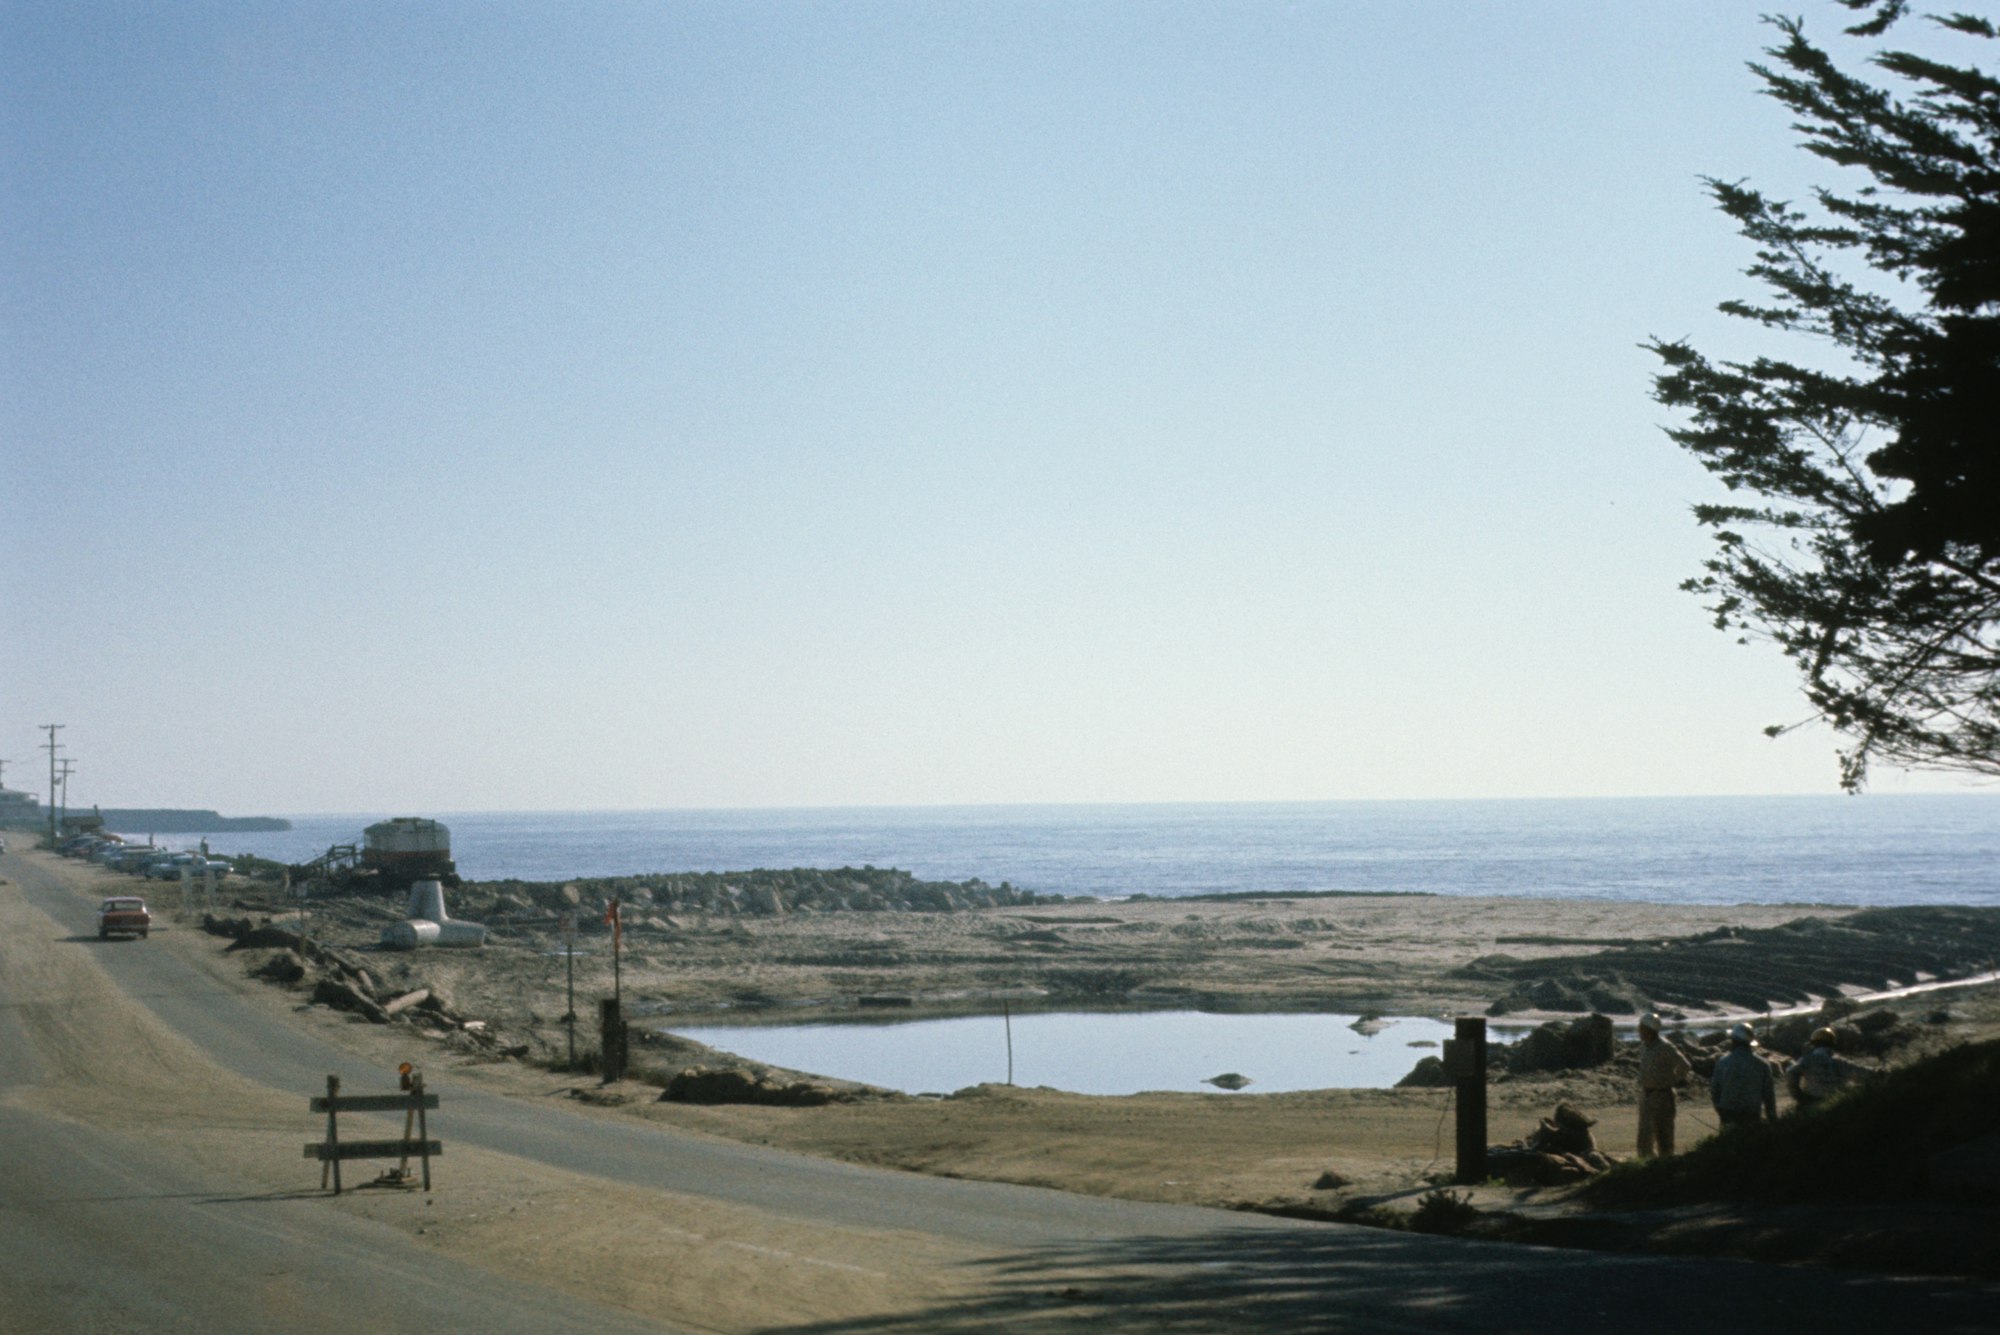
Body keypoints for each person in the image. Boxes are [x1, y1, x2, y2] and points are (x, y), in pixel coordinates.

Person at [1635, 1012, 1691, 1157]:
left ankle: (1665, 1167)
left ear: (1649, 1030)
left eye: (1641, 1028)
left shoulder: (1665, 1047)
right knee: (1644, 1137)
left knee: (1664, 1136)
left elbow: (1684, 1065)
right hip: (1646, 1095)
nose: (1638, 1031)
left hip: (1662, 1096)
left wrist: (1671, 1081)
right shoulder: (1643, 1047)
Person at [1710, 1022, 1778, 1129]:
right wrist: (1773, 1121)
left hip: (1728, 1114)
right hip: (1752, 1115)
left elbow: (1715, 1092)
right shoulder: (1763, 1064)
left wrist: (1720, 1110)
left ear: (1733, 1041)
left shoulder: (1722, 1063)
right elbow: (1769, 1097)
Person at [1786, 1027, 1869, 1109]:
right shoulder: (1839, 1061)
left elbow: (1790, 1072)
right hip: (1836, 1102)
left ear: (1813, 1043)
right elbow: (1861, 1072)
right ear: (1833, 1043)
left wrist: (1798, 1094)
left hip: (1812, 1100)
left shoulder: (1807, 1059)